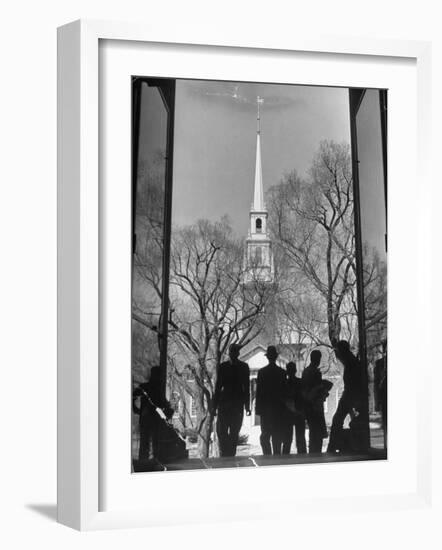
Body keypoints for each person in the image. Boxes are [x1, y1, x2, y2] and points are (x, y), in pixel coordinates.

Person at [213, 343, 251, 457]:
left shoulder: (244, 367)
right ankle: (224, 454)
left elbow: (246, 387)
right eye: (232, 352)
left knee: (234, 433)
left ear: (237, 353)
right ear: (229, 353)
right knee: (222, 432)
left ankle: (230, 455)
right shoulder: (223, 366)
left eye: (235, 352)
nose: (233, 354)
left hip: (237, 405)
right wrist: (214, 406)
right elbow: (218, 387)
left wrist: (247, 406)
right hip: (224, 405)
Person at [327, 340, 365, 453]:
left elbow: (354, 383)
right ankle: (336, 445)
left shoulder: (351, 363)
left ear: (342, 351)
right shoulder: (351, 362)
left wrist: (352, 400)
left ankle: (333, 446)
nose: (337, 355)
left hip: (350, 395)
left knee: (337, 420)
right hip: (350, 395)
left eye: (338, 352)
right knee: (339, 420)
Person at [133, 366, 174, 463]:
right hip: (154, 420)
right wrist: (169, 410)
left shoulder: (144, 387)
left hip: (145, 419)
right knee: (155, 443)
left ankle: (144, 463)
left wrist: (136, 409)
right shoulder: (157, 389)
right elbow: (162, 404)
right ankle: (155, 462)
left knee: (145, 443)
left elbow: (133, 396)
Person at [256, 346, 287, 455]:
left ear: (268, 357)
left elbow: (259, 393)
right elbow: (284, 393)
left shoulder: (262, 372)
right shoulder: (282, 373)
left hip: (266, 410)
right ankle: (276, 458)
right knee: (277, 436)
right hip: (278, 410)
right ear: (276, 357)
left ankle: (267, 457)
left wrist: (258, 410)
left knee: (265, 436)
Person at [302, 350, 329, 453]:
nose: (319, 361)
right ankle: (316, 453)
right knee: (316, 433)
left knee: (314, 432)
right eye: (318, 358)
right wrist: (323, 388)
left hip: (310, 407)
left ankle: (314, 453)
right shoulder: (314, 372)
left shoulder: (306, 371)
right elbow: (314, 390)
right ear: (315, 359)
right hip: (315, 407)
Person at [282, 362, 307, 455]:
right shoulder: (300, 383)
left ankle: (285, 459)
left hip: (288, 414)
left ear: (287, 372)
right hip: (299, 413)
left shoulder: (284, 384)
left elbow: (283, 399)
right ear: (295, 371)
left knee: (287, 439)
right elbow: (304, 398)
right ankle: (303, 458)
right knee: (300, 438)